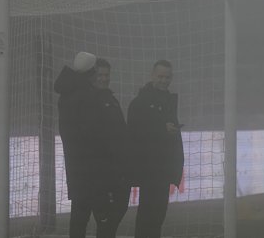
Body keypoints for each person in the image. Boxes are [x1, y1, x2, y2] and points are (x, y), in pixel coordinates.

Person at [55, 52, 131, 238]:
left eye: (107, 75)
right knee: (105, 221)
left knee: (80, 221)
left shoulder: (69, 95)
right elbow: (97, 138)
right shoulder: (88, 98)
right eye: (99, 74)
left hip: (80, 173)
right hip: (96, 175)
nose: (103, 78)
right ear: (91, 74)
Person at [127, 60, 184, 238]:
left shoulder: (168, 101)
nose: (163, 80)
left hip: (163, 170)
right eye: (160, 76)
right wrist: (162, 129)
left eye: (167, 77)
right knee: (147, 216)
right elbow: (134, 132)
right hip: (149, 170)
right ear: (152, 76)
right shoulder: (139, 102)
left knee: (158, 217)